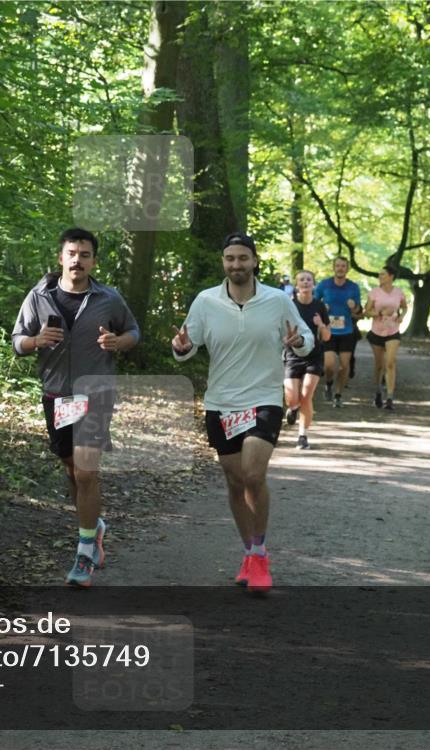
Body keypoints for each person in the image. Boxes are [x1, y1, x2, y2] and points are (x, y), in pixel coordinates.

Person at [171, 233, 313, 593]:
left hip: (264, 398)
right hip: (221, 403)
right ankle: (249, 552)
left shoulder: (277, 300)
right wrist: (182, 348)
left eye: (243, 258)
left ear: (255, 261)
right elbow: (188, 345)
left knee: (252, 474)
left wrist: (299, 341)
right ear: (224, 262)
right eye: (230, 258)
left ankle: (261, 554)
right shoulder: (206, 301)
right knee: (235, 481)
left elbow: (306, 338)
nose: (236, 264)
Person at [12, 228, 140, 587]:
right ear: (61, 257)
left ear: (93, 261)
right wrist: (36, 340)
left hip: (95, 393)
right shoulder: (39, 296)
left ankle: (84, 553)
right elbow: (17, 341)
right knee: (72, 470)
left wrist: (118, 342)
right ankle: (93, 527)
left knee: (85, 472)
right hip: (56, 394)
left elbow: (133, 332)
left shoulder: (108, 298)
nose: (77, 260)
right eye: (72, 253)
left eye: (85, 255)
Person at [283, 270, 331, 449]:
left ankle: (302, 436)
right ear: (296, 285)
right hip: (292, 355)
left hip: (314, 356)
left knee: (306, 396)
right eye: (301, 280)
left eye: (308, 280)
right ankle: (293, 408)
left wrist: (321, 325)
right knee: (292, 399)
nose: (305, 282)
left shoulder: (319, 306)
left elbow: (327, 337)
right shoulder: (289, 306)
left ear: (313, 284)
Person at [315, 256, 362, 408]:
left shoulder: (353, 287)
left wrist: (354, 306)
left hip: (346, 331)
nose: (340, 268)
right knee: (328, 365)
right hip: (329, 331)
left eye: (343, 266)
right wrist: (322, 308)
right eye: (338, 266)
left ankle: (338, 395)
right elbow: (314, 303)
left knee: (344, 366)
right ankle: (328, 384)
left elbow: (358, 310)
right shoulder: (324, 284)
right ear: (333, 267)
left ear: (347, 269)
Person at [364, 265, 408, 411]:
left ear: (391, 276)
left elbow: (404, 307)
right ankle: (377, 392)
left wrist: (401, 316)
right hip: (377, 332)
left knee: (390, 363)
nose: (380, 277)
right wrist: (379, 313)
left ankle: (389, 398)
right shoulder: (374, 292)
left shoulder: (399, 292)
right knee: (379, 366)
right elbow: (366, 312)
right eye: (380, 274)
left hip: (393, 331)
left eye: (383, 274)